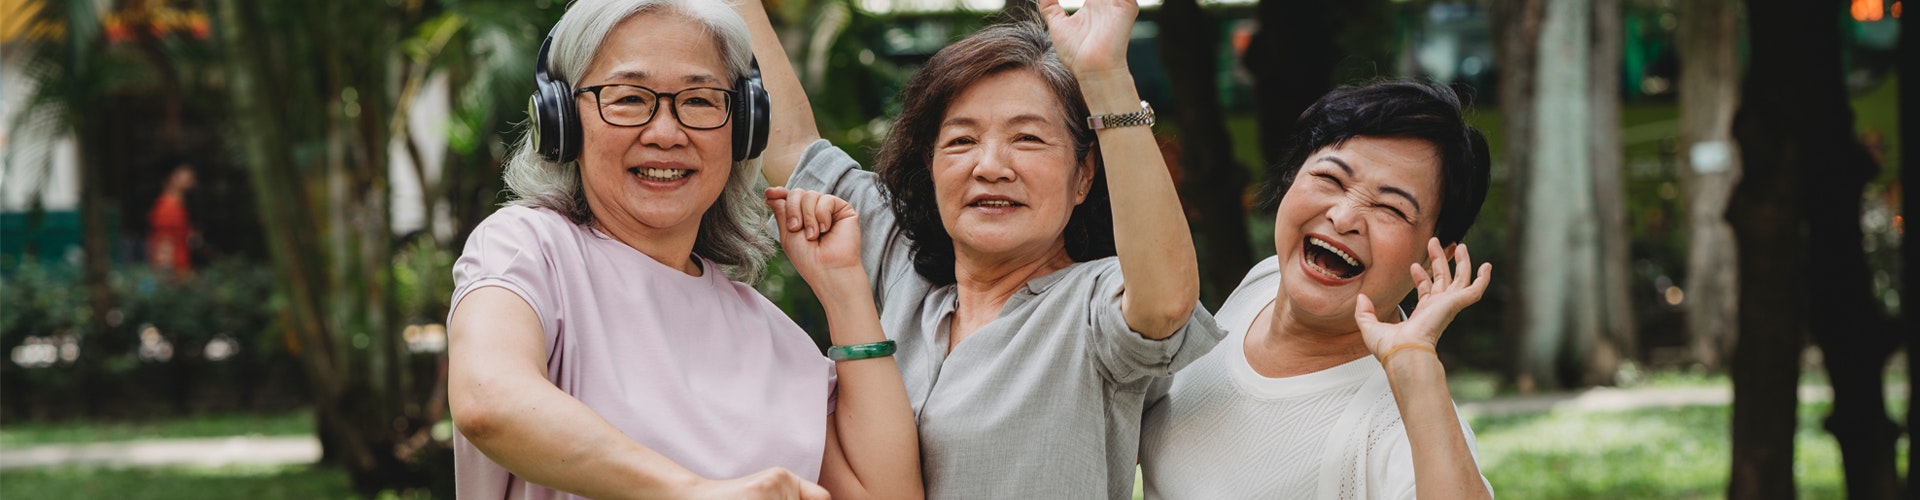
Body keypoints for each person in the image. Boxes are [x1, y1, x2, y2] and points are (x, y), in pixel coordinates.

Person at [732, 0, 1223, 497]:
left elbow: (1163, 302)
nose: (990, 165)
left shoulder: (1093, 307)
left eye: (1028, 139)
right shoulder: (897, 260)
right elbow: (791, 144)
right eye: (962, 141)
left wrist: (1105, 76)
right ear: (931, 165)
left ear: (1084, 176)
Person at [446, 0, 920, 498]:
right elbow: (488, 399)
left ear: (744, 127)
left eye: (699, 101)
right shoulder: (528, 247)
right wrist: (689, 492)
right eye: (628, 98)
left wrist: (845, 288)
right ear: (561, 118)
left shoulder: (772, 337)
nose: (666, 133)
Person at [1139, 81, 1496, 499]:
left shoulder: (1399, 424)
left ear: (1437, 255)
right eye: (1330, 178)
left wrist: (1416, 369)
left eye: (1391, 208)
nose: (1345, 217)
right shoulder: (1266, 281)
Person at [147, 164, 196, 278]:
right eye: (183, 173)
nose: (190, 177)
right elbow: (164, 242)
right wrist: (166, 273)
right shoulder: (167, 207)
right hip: (173, 273)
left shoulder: (178, 206)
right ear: (171, 178)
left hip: (181, 269)